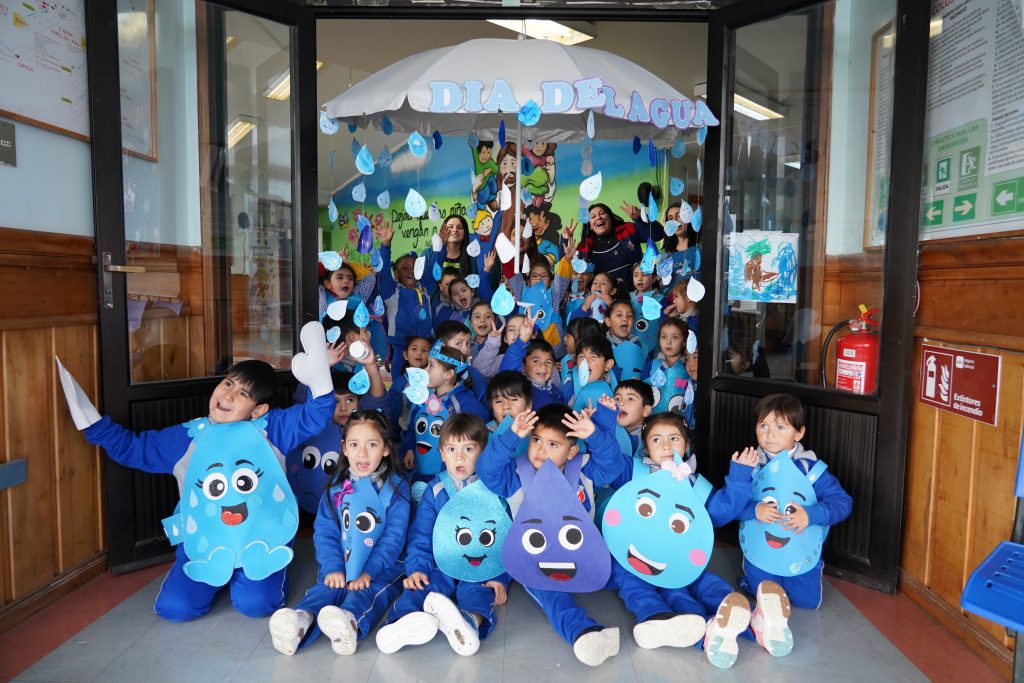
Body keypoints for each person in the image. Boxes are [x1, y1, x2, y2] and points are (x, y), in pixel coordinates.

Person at [58, 323, 336, 622]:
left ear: (258, 410)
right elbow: (134, 448)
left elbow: (315, 415)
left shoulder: (273, 429)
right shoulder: (187, 437)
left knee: (256, 605)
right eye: (228, 384)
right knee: (175, 609)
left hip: (260, 538)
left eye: (243, 393)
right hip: (206, 539)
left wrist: (320, 379)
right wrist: (94, 426)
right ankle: (216, 574)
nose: (228, 395)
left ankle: (251, 576)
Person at [476, 403, 629, 666]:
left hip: (583, 556)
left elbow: (613, 465)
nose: (541, 450)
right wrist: (511, 436)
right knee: (548, 591)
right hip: (536, 559)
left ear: (572, 452)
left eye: (553, 444)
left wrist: (595, 435)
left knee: (627, 570)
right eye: (536, 440)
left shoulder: (585, 470)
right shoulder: (515, 476)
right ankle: (582, 633)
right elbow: (486, 470)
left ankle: (654, 614)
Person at [607, 411, 759, 669]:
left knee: (695, 580)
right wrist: (599, 426)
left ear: (686, 445)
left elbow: (720, 512)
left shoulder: (694, 484)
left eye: (674, 438)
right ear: (646, 447)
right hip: (634, 556)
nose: (666, 446)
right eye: (656, 439)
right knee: (640, 585)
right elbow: (609, 460)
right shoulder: (634, 472)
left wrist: (740, 475)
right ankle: (677, 622)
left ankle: (740, 615)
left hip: (675, 557)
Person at [269, 410, 410, 656]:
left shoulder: (397, 489)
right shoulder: (336, 486)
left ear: (386, 448)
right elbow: (325, 531)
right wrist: (333, 567)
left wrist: (368, 571)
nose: (362, 453)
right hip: (343, 559)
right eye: (354, 445)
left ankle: (349, 623)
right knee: (326, 588)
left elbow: (393, 539)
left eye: (372, 445)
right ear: (344, 448)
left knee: (365, 592)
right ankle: (301, 621)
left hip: (382, 565)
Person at [376, 414, 509, 656]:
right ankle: (401, 624)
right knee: (421, 587)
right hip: (442, 562)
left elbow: (504, 539)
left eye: (468, 449)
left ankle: (469, 623)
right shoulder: (436, 489)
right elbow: (422, 534)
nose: (459, 457)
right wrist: (418, 568)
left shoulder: (493, 492)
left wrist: (500, 577)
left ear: (483, 452)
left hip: (479, 563)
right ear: (442, 453)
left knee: (479, 591)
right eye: (452, 449)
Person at [736, 394, 853, 652]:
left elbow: (842, 503)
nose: (770, 434)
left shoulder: (811, 470)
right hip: (761, 548)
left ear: (799, 433)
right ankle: (749, 581)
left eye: (780, 427)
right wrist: (754, 509)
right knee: (759, 592)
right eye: (763, 425)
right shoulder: (749, 464)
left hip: (799, 549)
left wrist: (810, 515)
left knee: (806, 601)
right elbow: (731, 505)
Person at [401, 342, 490, 480]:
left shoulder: (465, 404)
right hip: (420, 468)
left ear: (449, 374)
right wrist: (409, 448)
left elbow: (481, 431)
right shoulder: (422, 397)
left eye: (431, 365)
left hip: (450, 476)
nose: (425, 370)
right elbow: (413, 426)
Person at [378, 225, 434, 376]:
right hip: (399, 346)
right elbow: (383, 272)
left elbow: (435, 264)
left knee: (425, 381)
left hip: (424, 346)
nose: (411, 271)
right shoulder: (391, 290)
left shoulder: (426, 288)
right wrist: (385, 245)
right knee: (400, 383)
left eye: (415, 268)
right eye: (405, 268)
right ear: (396, 274)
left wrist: (440, 245)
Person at [576, 197, 665, 291]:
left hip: (637, 295)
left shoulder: (628, 229)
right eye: (593, 217)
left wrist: (641, 218)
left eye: (602, 213)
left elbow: (658, 234)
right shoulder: (584, 247)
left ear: (610, 218)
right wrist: (566, 248)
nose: (598, 217)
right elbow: (575, 276)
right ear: (590, 225)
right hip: (605, 299)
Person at [498, 309, 566, 408]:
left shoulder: (555, 391)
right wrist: (522, 339)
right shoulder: (521, 388)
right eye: (536, 361)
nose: (543, 366)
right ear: (523, 366)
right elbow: (507, 371)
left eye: (548, 362)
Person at [472, 313, 524, 379]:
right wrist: (492, 343)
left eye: (522, 329)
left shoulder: (535, 354)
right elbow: (480, 370)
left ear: (533, 335)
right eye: (511, 330)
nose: (517, 333)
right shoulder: (502, 359)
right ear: (505, 339)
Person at [612, 379, 654, 456]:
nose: (621, 403)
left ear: (645, 410)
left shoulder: (652, 436)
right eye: (617, 399)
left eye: (630, 399)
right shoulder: (608, 429)